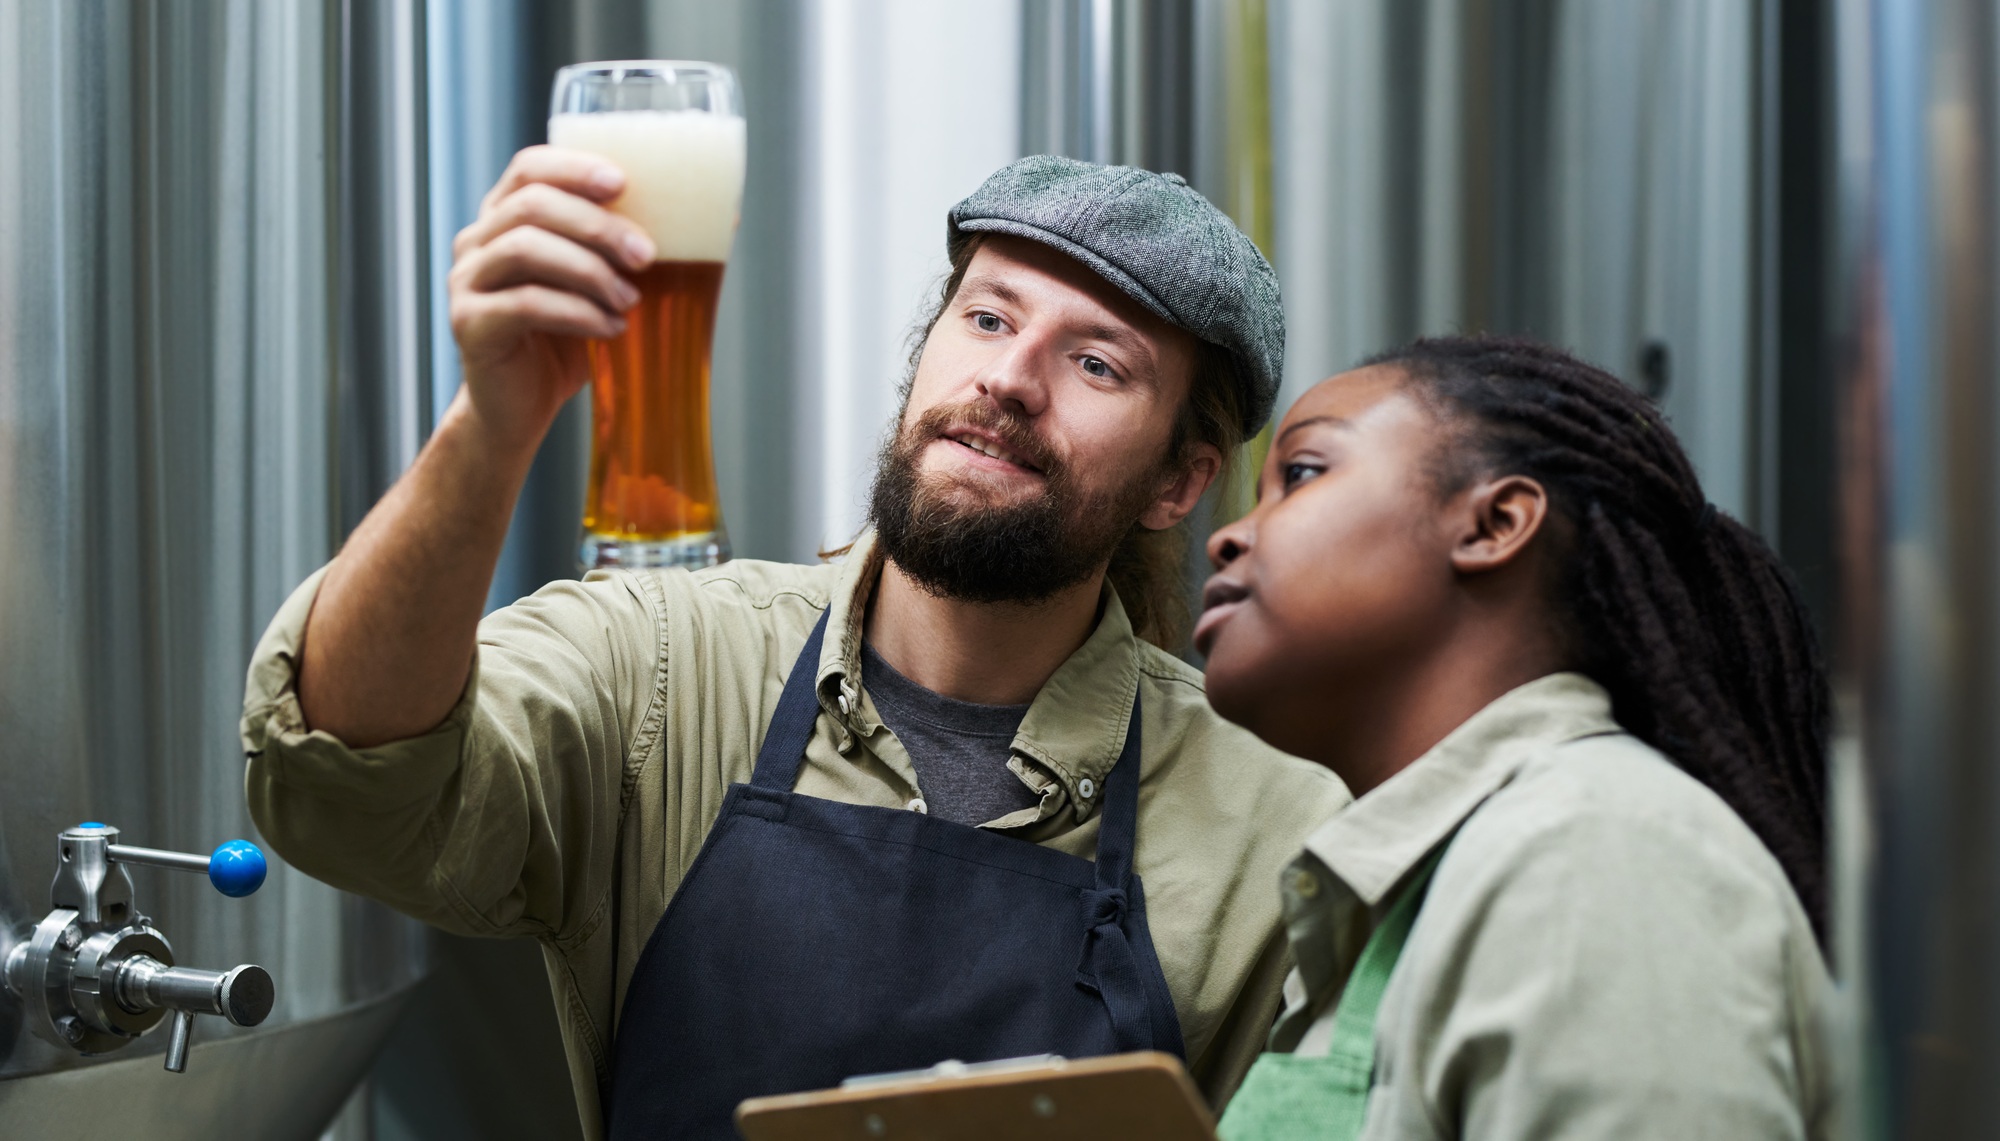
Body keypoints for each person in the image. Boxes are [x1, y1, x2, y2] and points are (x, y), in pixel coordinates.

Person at [240, 151, 1347, 1140]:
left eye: (1095, 363)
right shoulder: (665, 662)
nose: (1008, 379)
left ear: (1177, 482)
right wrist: (492, 420)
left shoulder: (1274, 822)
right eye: (989, 319)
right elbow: (342, 786)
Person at [1195, 336, 1833, 1140]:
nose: (1229, 536)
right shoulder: (1434, 892)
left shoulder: (1592, 852)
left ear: (1495, 522)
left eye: (1304, 473)